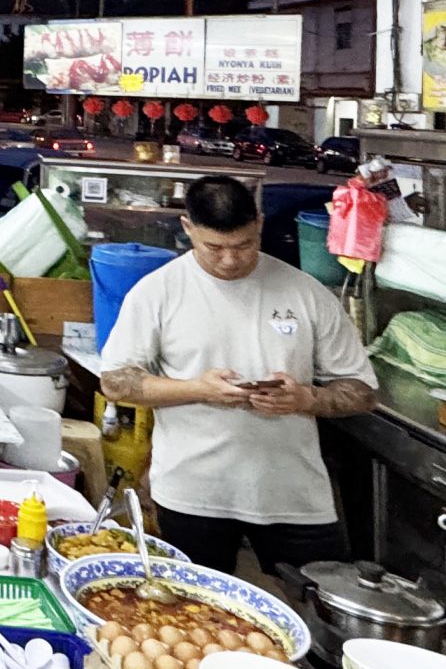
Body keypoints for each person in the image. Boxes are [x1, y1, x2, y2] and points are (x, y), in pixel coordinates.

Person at [95, 176, 376, 578]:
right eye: (214, 247)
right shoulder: (157, 292)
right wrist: (198, 389)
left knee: (313, 607)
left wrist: (306, 398)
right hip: (191, 495)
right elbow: (115, 381)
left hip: (294, 499)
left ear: (260, 223)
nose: (230, 260)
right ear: (188, 228)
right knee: (193, 607)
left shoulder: (306, 293)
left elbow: (361, 391)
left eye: (244, 245)